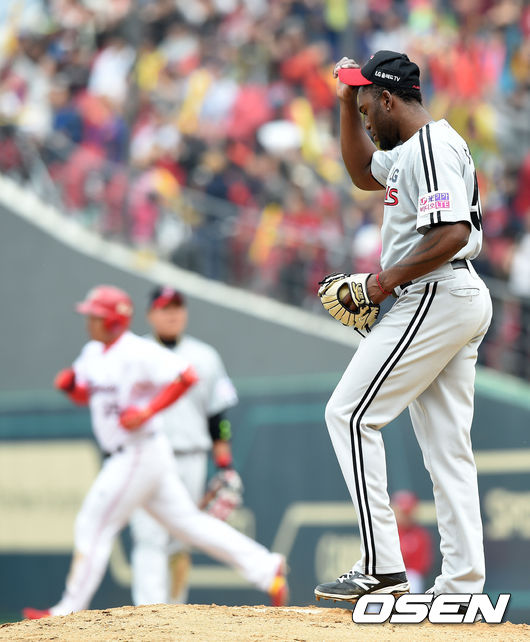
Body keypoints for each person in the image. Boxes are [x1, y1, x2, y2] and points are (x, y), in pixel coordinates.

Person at [314, 51, 492, 605]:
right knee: (448, 452)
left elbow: (452, 232)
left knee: (349, 414)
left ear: (389, 100)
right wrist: (347, 97)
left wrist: (380, 284)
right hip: (451, 293)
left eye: (368, 108)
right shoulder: (413, 149)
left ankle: (382, 567)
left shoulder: (432, 147)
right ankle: (462, 589)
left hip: (436, 289)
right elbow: (360, 171)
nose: (365, 120)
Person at [23, 285, 287, 619]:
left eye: (96, 316)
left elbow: (196, 388)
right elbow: (88, 395)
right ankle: (266, 567)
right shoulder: (93, 352)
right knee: (185, 526)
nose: (89, 321)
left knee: (96, 524)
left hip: (143, 452)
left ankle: (70, 610)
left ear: (114, 320)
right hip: (144, 454)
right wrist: (72, 389)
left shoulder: (143, 351)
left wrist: (151, 414)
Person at [130, 285, 240, 605]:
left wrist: (225, 465)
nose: (172, 314)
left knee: (182, 537)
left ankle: (175, 616)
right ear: (150, 314)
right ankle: (148, 614)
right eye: (164, 308)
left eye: (177, 307)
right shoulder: (135, 354)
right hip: (147, 455)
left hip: (191, 457)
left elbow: (218, 417)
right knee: (148, 536)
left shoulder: (205, 356)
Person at [390, 490, 433, 594]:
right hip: (388, 576)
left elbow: (423, 566)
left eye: (408, 512)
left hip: (411, 578)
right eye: (403, 513)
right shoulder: (388, 533)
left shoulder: (420, 534)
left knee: (412, 578)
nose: (407, 516)